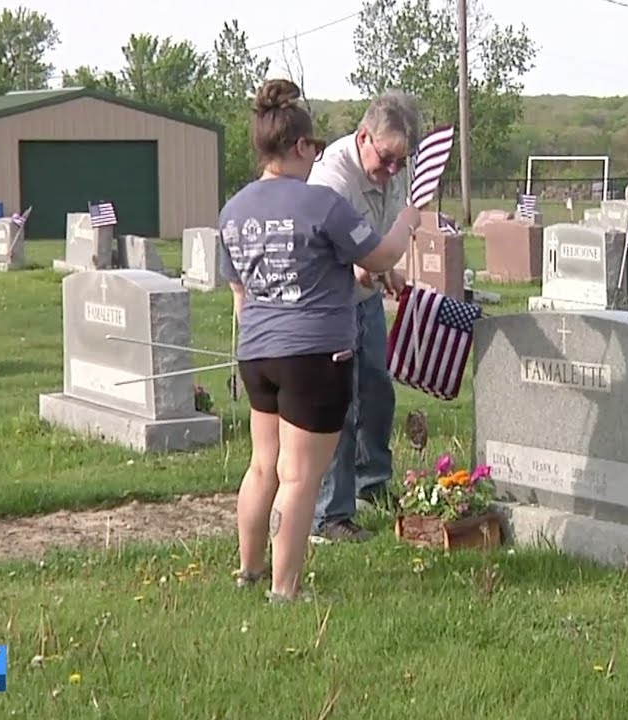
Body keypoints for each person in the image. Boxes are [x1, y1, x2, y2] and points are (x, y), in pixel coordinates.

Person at [218, 79, 420, 600]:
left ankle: (248, 571)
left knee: (261, 466)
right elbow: (379, 256)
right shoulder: (322, 203)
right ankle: (284, 589)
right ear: (303, 146)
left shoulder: (233, 210)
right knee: (299, 476)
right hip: (313, 353)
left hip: (257, 353)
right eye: (315, 147)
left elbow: (238, 290)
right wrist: (406, 223)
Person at [306, 91, 423, 543]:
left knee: (376, 388)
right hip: (329, 301)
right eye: (387, 158)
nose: (393, 170)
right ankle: (330, 514)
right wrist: (373, 264)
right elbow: (345, 255)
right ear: (363, 137)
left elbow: (375, 241)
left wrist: (384, 270)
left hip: (365, 297)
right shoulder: (332, 179)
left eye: (401, 161)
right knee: (340, 402)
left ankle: (371, 482)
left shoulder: (396, 169)